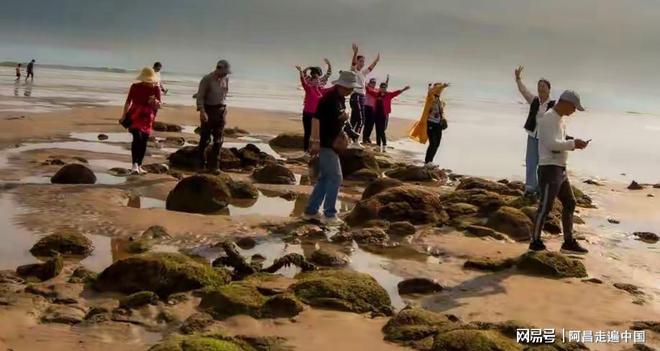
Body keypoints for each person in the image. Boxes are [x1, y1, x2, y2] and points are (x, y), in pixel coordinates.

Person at [530, 90, 590, 254]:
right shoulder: (549, 118)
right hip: (549, 168)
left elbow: (560, 139)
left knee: (570, 202)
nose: (574, 111)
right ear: (565, 103)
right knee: (545, 206)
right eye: (574, 107)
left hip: (560, 168)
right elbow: (550, 144)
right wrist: (572, 144)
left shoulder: (560, 120)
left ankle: (568, 242)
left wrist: (574, 141)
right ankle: (535, 241)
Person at [303, 70, 360, 225]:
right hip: (325, 143)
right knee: (336, 177)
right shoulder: (330, 98)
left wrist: (348, 129)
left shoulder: (340, 99)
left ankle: (311, 211)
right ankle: (329, 214)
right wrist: (315, 141)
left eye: (352, 88)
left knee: (325, 178)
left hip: (330, 143)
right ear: (342, 85)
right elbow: (316, 119)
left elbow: (337, 119)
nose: (351, 90)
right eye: (350, 87)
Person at [515, 66, 555, 198]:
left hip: (545, 139)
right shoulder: (534, 101)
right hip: (533, 135)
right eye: (539, 86)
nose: (541, 88)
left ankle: (541, 188)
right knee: (531, 162)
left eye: (543, 86)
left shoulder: (553, 105)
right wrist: (518, 78)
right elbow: (523, 91)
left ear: (549, 89)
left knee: (543, 164)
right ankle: (530, 188)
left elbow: (560, 119)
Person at [121, 67, 162, 174]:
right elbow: (128, 101)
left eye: (150, 80)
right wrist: (124, 115)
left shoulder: (156, 89)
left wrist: (154, 102)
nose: (148, 83)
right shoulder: (135, 87)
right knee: (137, 138)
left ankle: (139, 165)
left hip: (148, 118)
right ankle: (134, 164)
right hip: (135, 115)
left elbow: (159, 106)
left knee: (143, 141)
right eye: (146, 80)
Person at [196, 60, 231, 172]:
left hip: (221, 111)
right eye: (224, 72)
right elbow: (200, 96)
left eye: (227, 72)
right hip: (208, 110)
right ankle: (201, 165)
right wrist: (202, 111)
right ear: (218, 68)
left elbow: (224, 94)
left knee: (218, 140)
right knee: (205, 139)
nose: (226, 74)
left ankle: (214, 166)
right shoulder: (207, 79)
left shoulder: (226, 79)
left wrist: (224, 111)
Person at [296, 59, 333, 152]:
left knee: (316, 133)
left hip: (317, 112)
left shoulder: (320, 84)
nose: (316, 78)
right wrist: (303, 70)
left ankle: (315, 150)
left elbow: (328, 75)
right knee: (308, 133)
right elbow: (303, 80)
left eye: (316, 73)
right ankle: (307, 150)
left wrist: (329, 65)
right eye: (314, 73)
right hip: (309, 110)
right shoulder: (310, 83)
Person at [348, 43, 380, 147]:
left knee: (354, 119)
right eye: (360, 61)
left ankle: (348, 139)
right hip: (356, 96)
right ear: (357, 62)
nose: (362, 63)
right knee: (362, 120)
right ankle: (355, 141)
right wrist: (355, 53)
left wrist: (376, 61)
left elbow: (370, 68)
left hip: (361, 97)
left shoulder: (363, 73)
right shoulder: (354, 71)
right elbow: (353, 64)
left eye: (363, 62)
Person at [366, 80, 409, 152]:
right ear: (380, 88)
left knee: (382, 130)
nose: (383, 88)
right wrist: (364, 82)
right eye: (382, 87)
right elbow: (368, 90)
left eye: (384, 87)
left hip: (384, 115)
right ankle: (378, 145)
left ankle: (384, 144)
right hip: (376, 114)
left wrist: (404, 89)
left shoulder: (389, 94)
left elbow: (397, 92)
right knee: (377, 130)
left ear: (386, 88)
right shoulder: (376, 94)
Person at [422, 83, 449, 167]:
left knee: (437, 144)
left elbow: (441, 112)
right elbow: (430, 92)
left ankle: (430, 161)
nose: (439, 90)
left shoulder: (440, 101)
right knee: (432, 144)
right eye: (437, 88)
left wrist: (443, 118)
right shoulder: (430, 99)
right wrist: (442, 86)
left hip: (438, 125)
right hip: (431, 123)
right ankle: (427, 162)